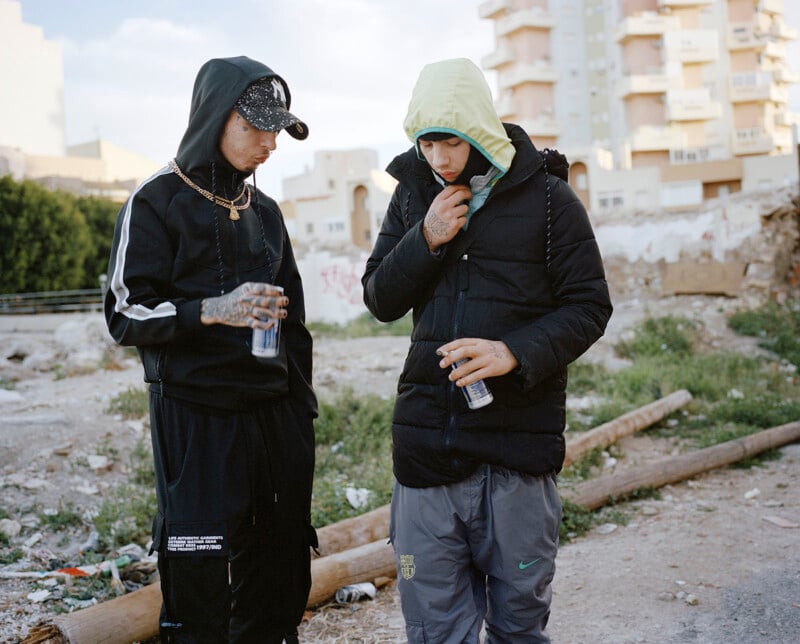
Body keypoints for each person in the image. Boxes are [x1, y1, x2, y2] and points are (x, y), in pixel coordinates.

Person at [361, 58, 613, 642]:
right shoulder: (411, 197)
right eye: (425, 144)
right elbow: (379, 297)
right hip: (427, 449)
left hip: (517, 452)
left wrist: (514, 353)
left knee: (520, 627)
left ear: (479, 126)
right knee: (433, 629)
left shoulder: (550, 200)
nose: (439, 159)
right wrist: (424, 239)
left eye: (449, 141)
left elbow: (589, 307)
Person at [105, 56, 317, 643]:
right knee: (197, 574)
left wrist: (302, 415)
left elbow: (293, 325)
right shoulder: (155, 201)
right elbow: (124, 312)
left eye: (277, 129)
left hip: (273, 419)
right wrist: (211, 309)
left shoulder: (268, 213)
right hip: (195, 417)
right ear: (213, 118)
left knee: (279, 570)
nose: (270, 142)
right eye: (256, 128)